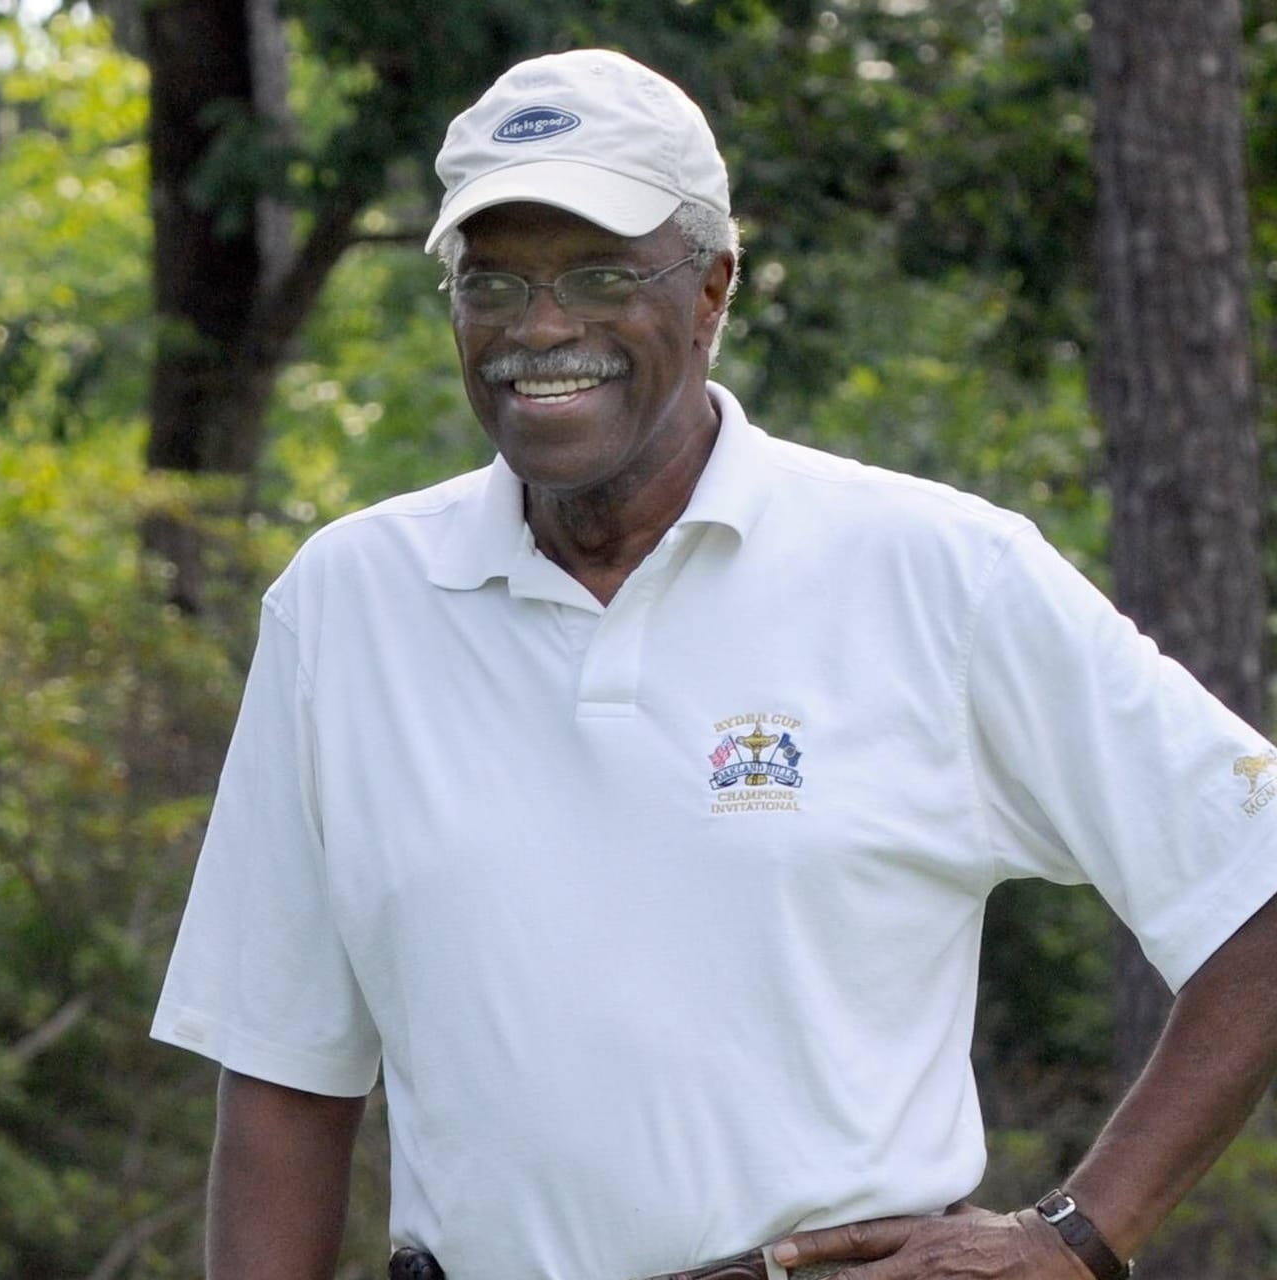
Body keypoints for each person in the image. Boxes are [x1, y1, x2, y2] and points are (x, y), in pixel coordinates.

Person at [150, 47, 1277, 1280]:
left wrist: (1079, 1235)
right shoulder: (347, 603)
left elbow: (1255, 880)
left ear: (712, 288)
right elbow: (283, 1081)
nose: (541, 328)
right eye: (494, 282)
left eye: (598, 273)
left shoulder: (937, 570)